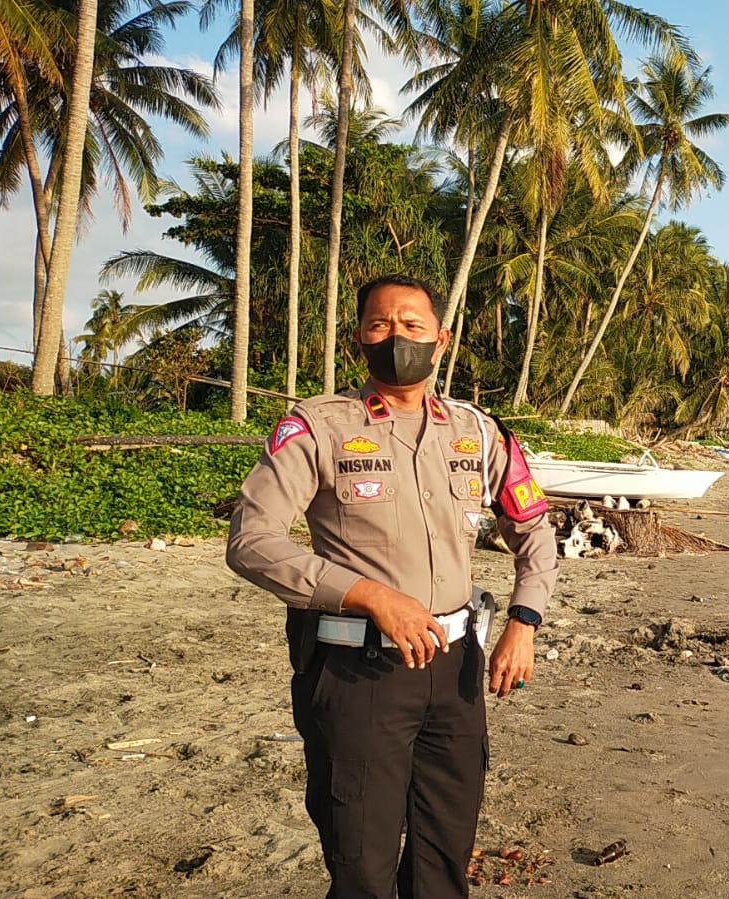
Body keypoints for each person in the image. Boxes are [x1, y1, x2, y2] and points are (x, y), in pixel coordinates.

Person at [226, 274, 558, 898]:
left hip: (457, 670)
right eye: (380, 325)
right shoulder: (317, 427)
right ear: (359, 339)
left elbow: (534, 529)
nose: (396, 337)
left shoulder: (480, 433)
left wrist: (525, 621)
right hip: (359, 672)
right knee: (361, 863)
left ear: (441, 339)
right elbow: (251, 541)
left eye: (412, 326)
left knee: (444, 856)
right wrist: (368, 594)